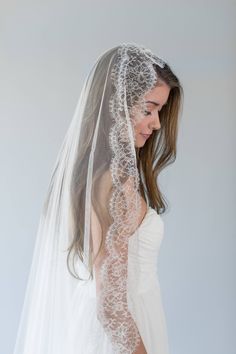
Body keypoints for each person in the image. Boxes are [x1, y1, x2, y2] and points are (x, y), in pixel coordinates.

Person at [13, 43, 183, 354]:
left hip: (101, 325)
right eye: (148, 109)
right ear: (116, 107)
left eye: (160, 110)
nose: (157, 124)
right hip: (122, 335)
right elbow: (112, 308)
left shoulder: (93, 176)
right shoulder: (118, 183)